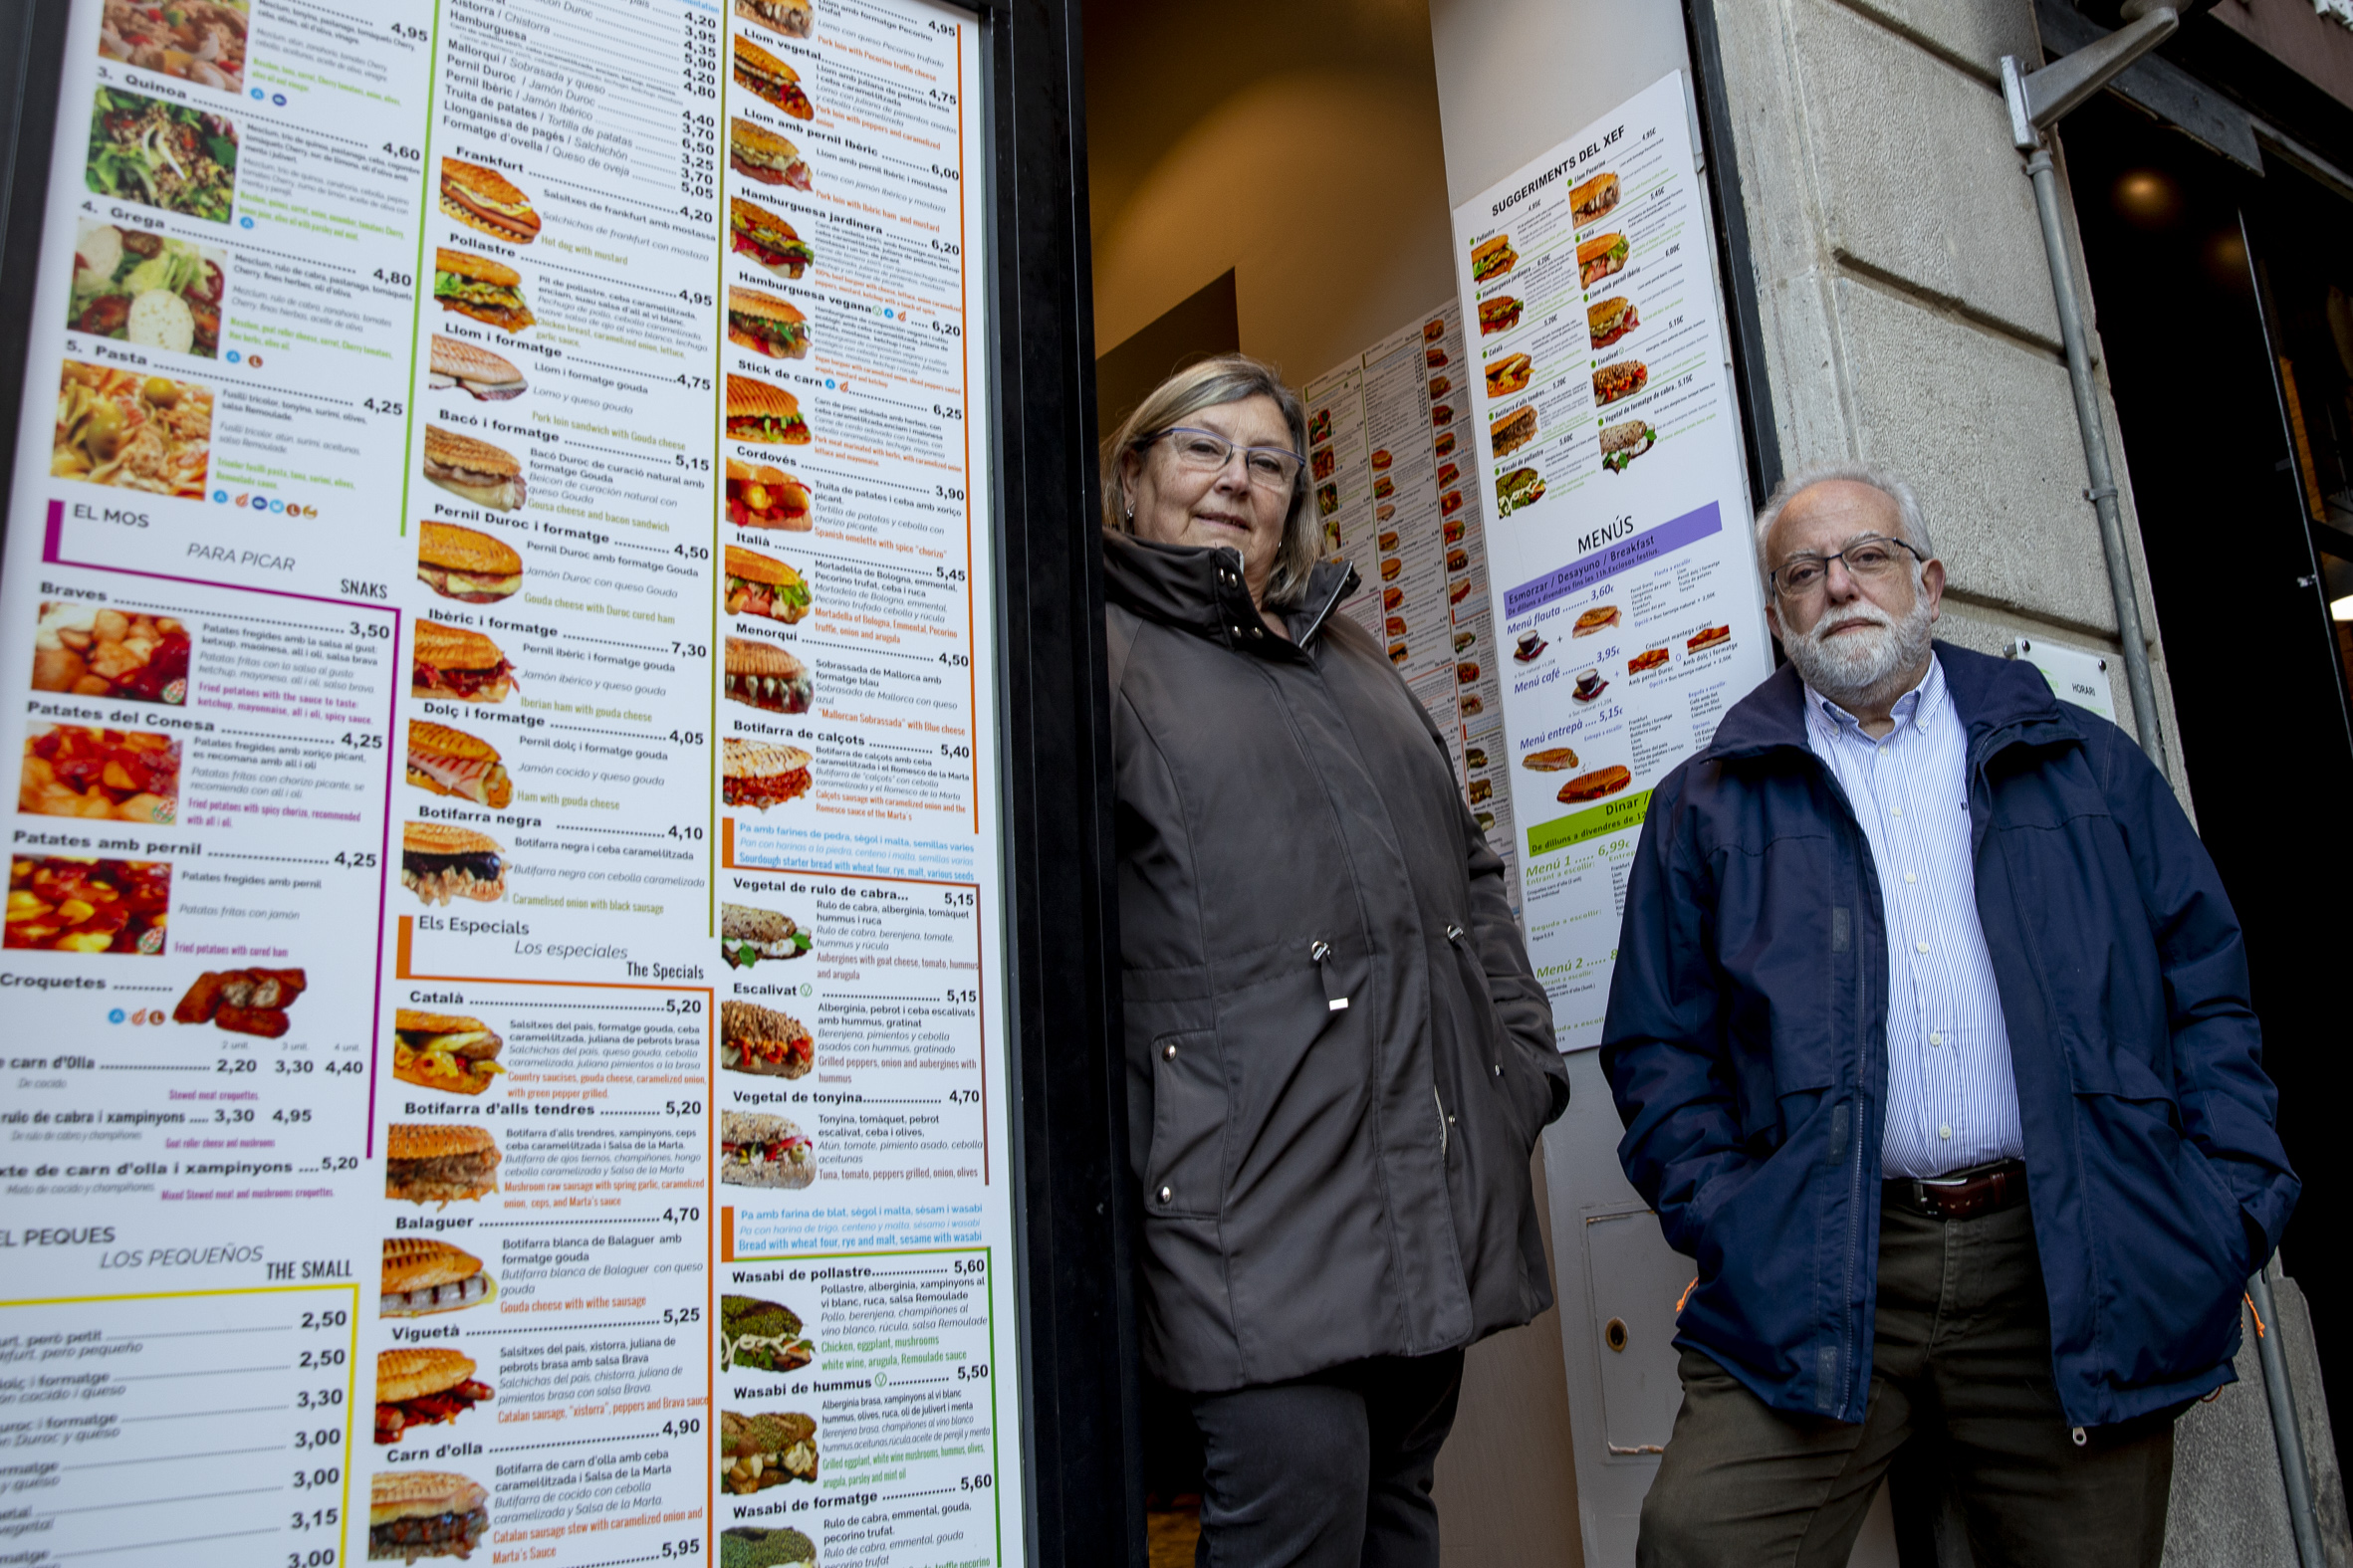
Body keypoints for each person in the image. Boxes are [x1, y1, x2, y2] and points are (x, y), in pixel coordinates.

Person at [1599, 462, 2297, 1567]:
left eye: (1866, 556)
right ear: (1777, 614)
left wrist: (2220, 1209)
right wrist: (1733, 1217)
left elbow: (2205, 984)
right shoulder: (1706, 802)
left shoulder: (2080, 762)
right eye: (1802, 571)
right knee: (1700, 1541)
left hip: (2061, 1256)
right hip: (1820, 1258)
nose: (1838, 585)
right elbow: (1658, 1049)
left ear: (1927, 582)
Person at [1100, 353, 1569, 1568]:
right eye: (1201, 449)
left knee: (1397, 1521)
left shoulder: (1348, 651)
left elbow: (1468, 867)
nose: (1233, 480)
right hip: (1250, 1214)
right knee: (1292, 1528)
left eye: (1266, 462)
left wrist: (1517, 1060)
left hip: (1419, 1201)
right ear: (1133, 475)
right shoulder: (1094, 654)